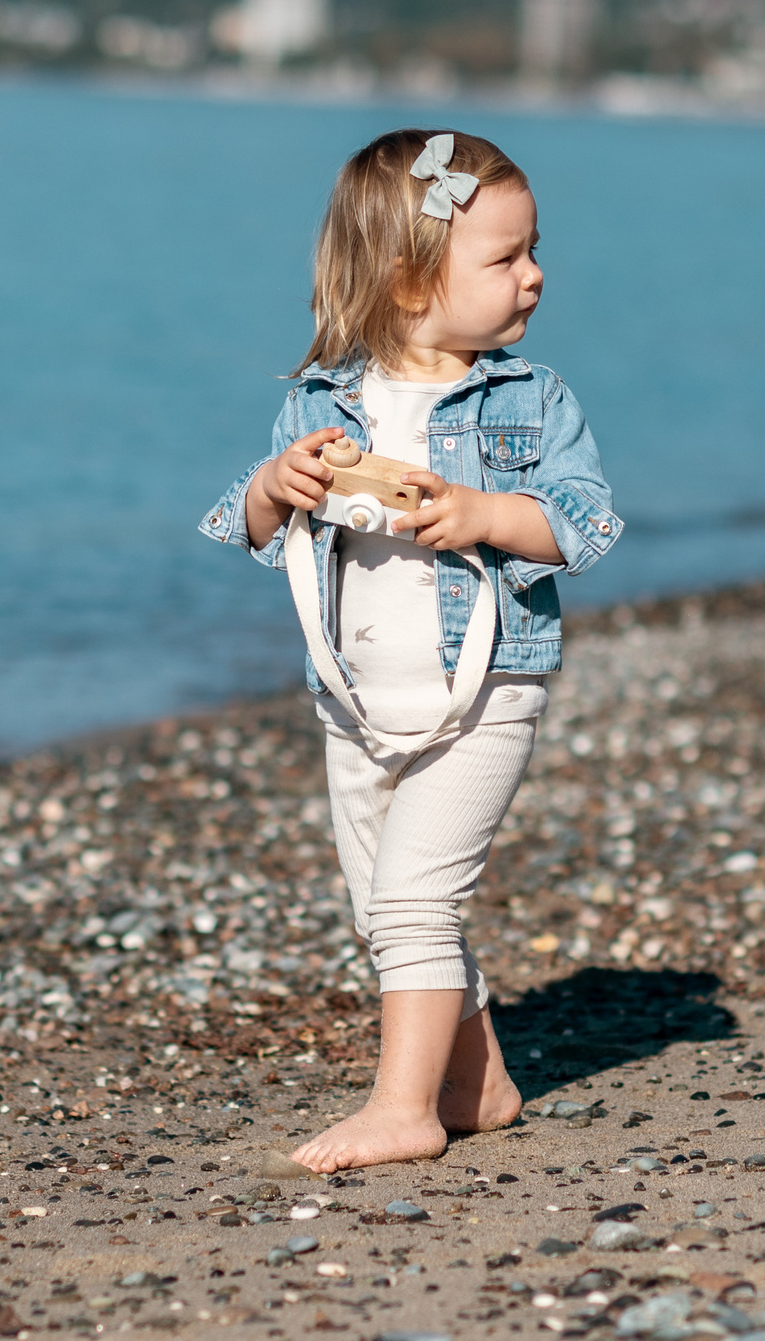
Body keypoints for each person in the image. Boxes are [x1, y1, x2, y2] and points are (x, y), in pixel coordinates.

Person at [199, 129, 622, 1171]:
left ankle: (403, 1110)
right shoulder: (321, 402)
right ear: (407, 280)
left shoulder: (529, 400)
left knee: (415, 901)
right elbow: (248, 528)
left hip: (485, 687)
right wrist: (275, 488)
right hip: (355, 699)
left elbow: (584, 523)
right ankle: (478, 1085)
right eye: (505, 257)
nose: (534, 274)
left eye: (533, 250)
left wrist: (485, 513)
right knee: (380, 908)